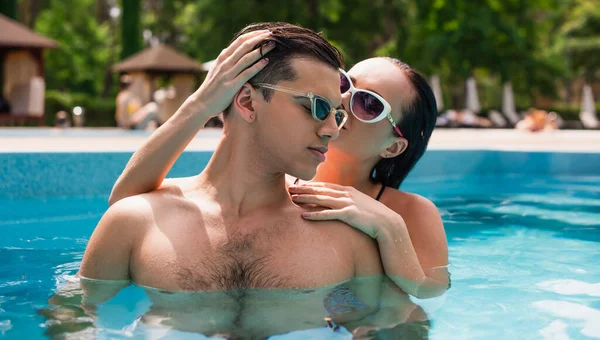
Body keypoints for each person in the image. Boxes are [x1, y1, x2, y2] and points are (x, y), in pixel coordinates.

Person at [108, 24, 449, 299]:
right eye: (345, 83)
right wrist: (201, 105)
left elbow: (426, 294)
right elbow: (127, 209)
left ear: (392, 148)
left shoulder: (409, 213)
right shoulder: (277, 185)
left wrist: (389, 227)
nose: (341, 100)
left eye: (369, 104)